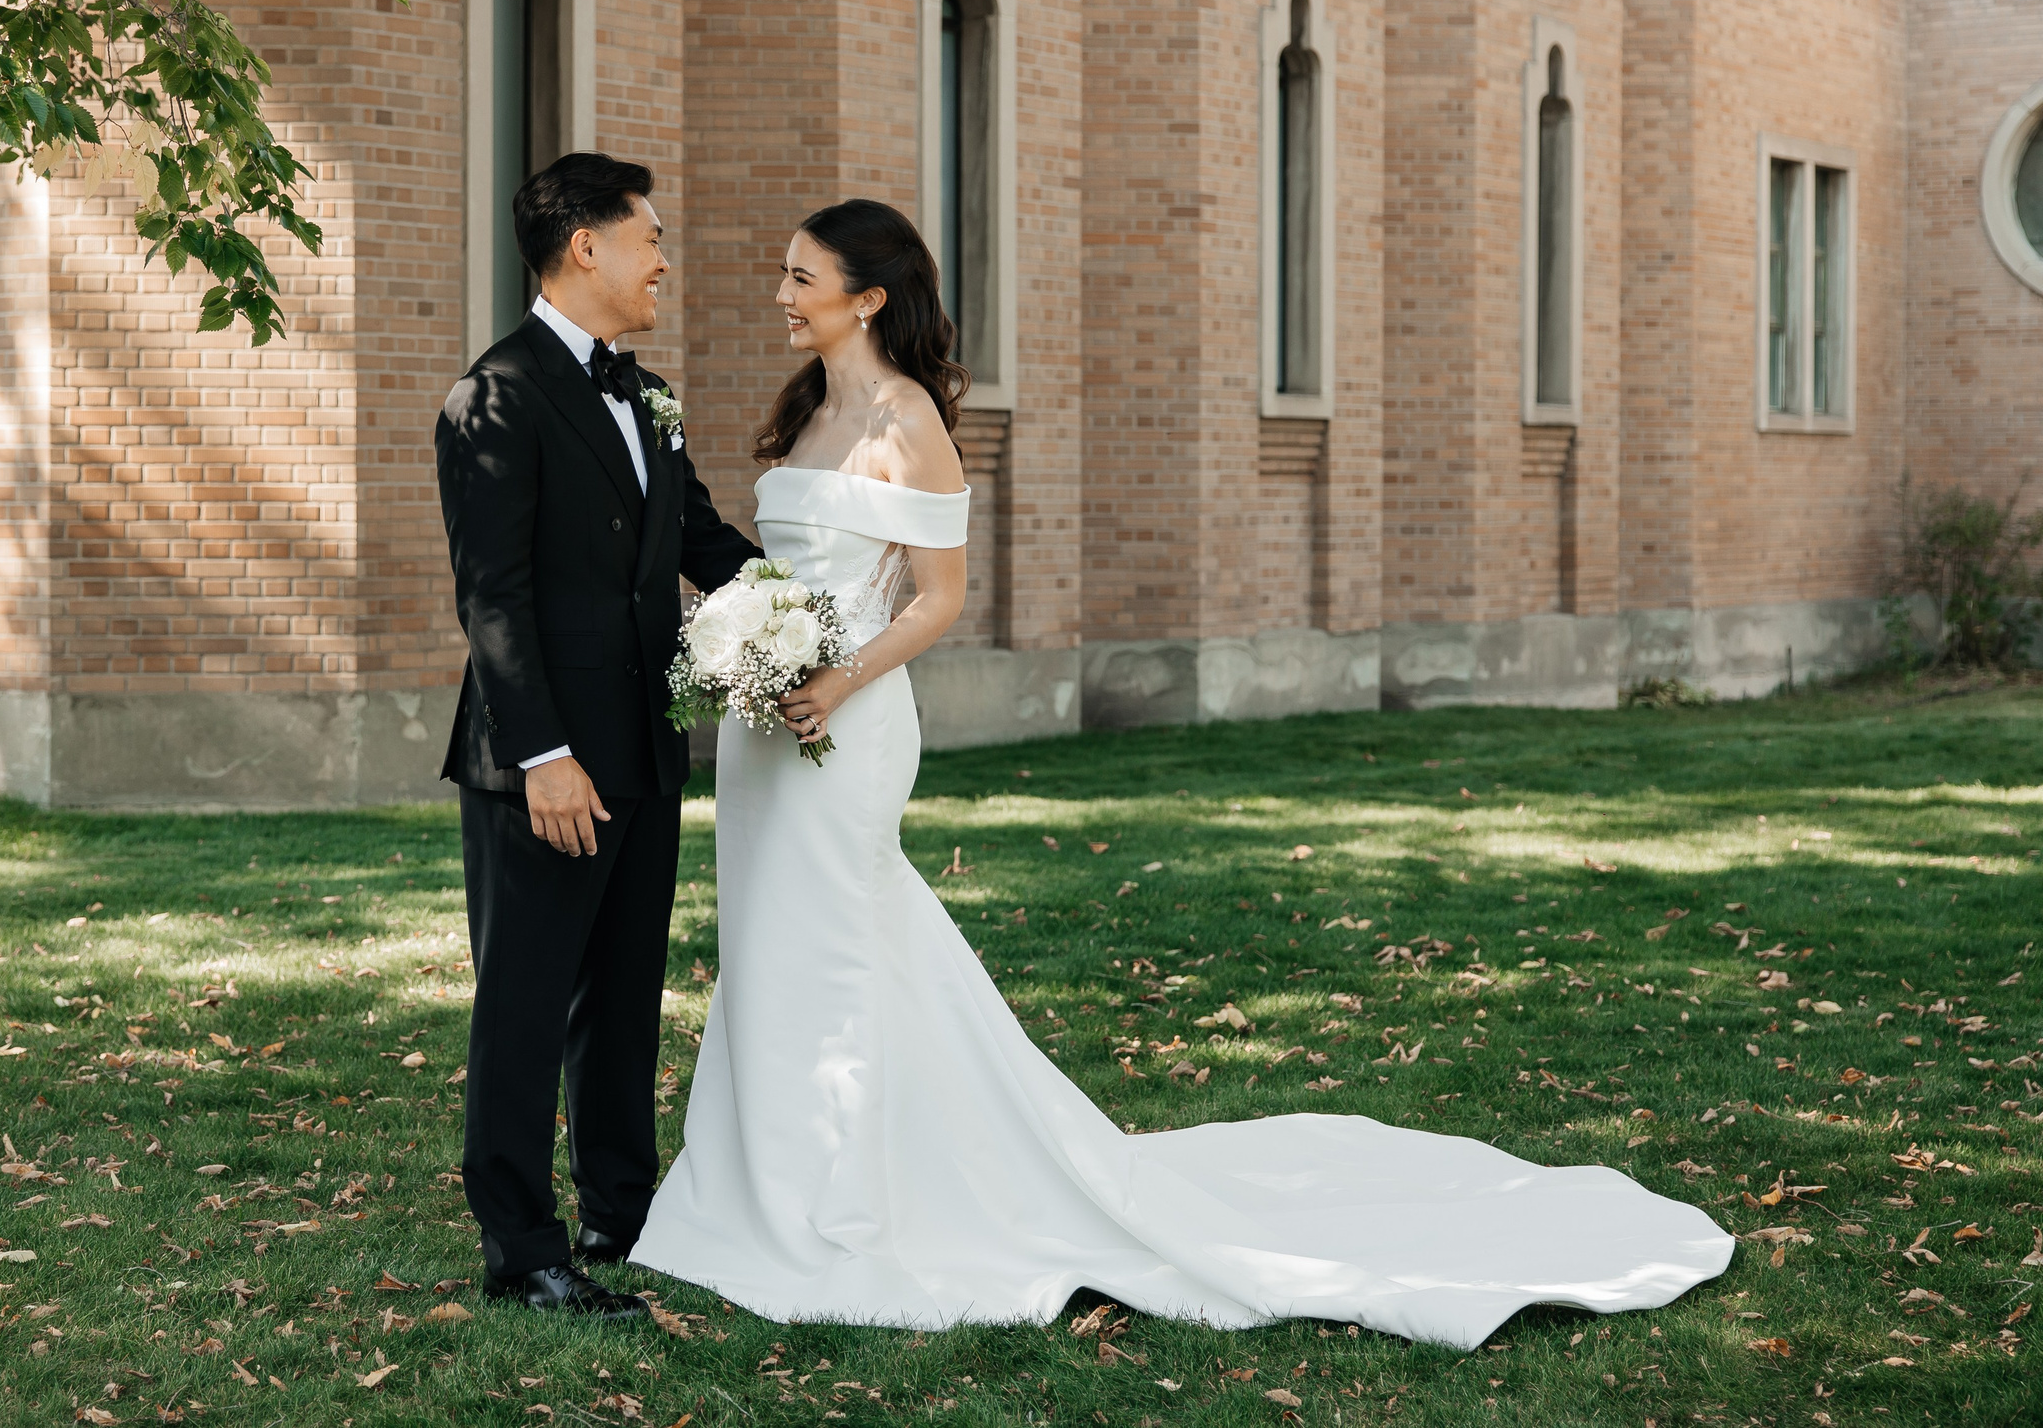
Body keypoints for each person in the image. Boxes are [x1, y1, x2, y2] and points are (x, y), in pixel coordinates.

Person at [628, 199, 1736, 1346]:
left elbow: (940, 597)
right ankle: (763, 1176)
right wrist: (749, 644)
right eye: (782, 271)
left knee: (842, 936)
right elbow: (774, 568)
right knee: (770, 936)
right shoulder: (808, 407)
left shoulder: (909, 420)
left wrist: (837, 678)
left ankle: (848, 1199)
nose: (780, 296)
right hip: (768, 733)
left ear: (866, 297)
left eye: (800, 278)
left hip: (849, 725)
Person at [433, 152, 762, 1319]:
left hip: (643, 748)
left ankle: (624, 1214)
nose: (664, 259)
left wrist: (807, 612)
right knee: (526, 1000)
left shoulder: (648, 393)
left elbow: (704, 541)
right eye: (651, 238)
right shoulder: (495, 396)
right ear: (587, 246)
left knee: (623, 996)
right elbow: (494, 599)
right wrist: (542, 759)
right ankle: (523, 1247)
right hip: (546, 763)